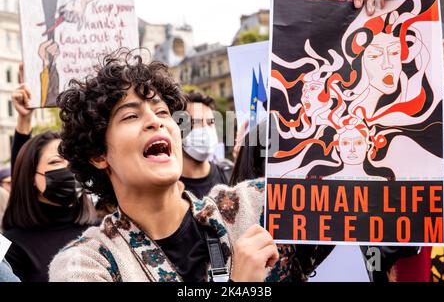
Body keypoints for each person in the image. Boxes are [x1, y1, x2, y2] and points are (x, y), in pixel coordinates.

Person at [48, 49, 332, 282]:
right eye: (131, 116)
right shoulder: (85, 265)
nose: (156, 121)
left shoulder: (256, 205)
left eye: (162, 112)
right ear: (98, 154)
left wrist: (369, 14)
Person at [1, 83, 97, 282]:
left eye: (73, 160)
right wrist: (24, 121)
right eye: (56, 161)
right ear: (31, 177)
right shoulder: (13, 246)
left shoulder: (105, 230)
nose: (69, 168)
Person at [180, 91, 233, 199]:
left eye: (210, 122)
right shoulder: (166, 189)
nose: (205, 129)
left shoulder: (231, 175)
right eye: (196, 122)